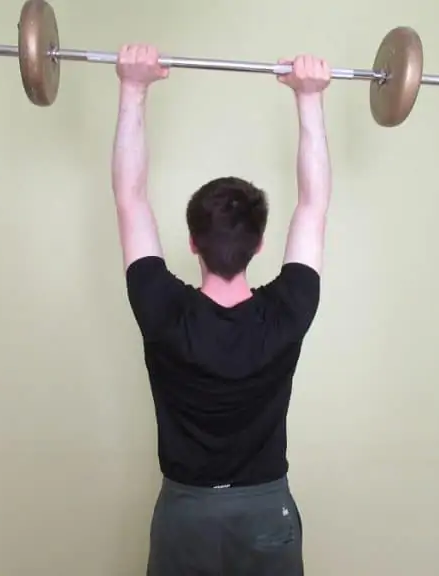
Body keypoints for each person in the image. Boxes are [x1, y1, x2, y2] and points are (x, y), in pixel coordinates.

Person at [111, 44, 332, 576]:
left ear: (191, 242)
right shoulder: (288, 312)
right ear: (260, 245)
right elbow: (313, 203)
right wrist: (310, 99)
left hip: (187, 515)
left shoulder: (161, 309)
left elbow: (130, 198)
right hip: (265, 510)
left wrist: (133, 89)